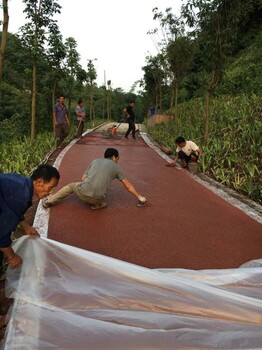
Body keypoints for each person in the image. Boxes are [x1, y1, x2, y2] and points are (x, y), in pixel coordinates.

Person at [43, 148, 147, 210]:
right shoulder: (116, 167)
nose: (118, 161)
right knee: (101, 199)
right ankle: (97, 204)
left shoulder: (95, 161)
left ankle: (50, 201)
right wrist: (139, 196)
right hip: (98, 198)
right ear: (114, 157)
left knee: (70, 186)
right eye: (118, 159)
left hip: (83, 193)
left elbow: (83, 178)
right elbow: (128, 185)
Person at [0, 164, 60, 270]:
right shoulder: (21, 198)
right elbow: (1, 233)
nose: (51, 192)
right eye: (50, 187)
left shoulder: (22, 183)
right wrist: (12, 256)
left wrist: (26, 226)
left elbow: (10, 208)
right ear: (39, 182)